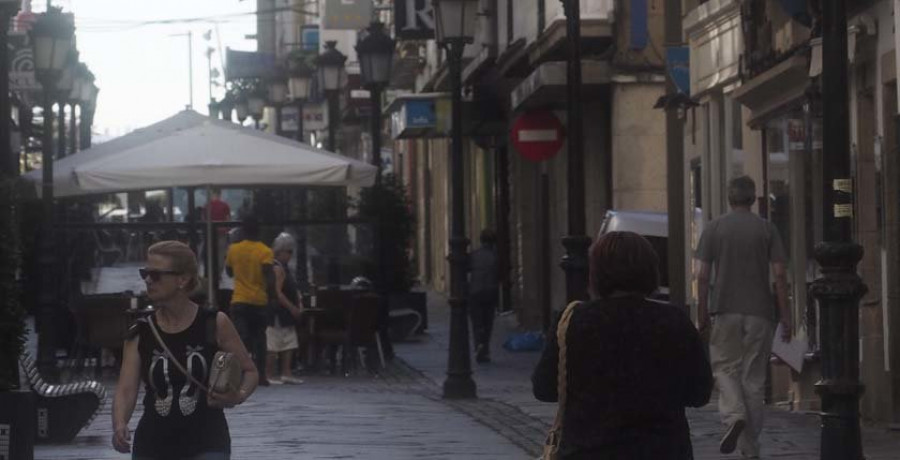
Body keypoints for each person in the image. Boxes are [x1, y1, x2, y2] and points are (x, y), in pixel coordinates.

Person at [532, 231, 712, 459]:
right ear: (651, 270)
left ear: (595, 273)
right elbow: (699, 393)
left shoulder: (573, 321)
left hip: (588, 451)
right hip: (662, 451)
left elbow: (544, 388)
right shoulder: (673, 321)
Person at [112, 241, 258, 459]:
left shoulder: (214, 323)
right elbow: (126, 389)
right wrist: (120, 424)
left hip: (208, 441)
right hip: (153, 444)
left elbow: (250, 371)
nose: (148, 280)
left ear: (182, 279)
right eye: (145, 274)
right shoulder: (140, 332)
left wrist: (238, 395)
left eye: (156, 275)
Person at [695, 176, 791, 458]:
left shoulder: (714, 228)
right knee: (754, 379)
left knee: (724, 368)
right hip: (760, 312)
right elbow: (780, 275)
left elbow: (701, 276)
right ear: (753, 199)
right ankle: (750, 449)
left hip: (724, 310)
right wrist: (785, 315)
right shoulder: (766, 229)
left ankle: (733, 414)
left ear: (729, 198)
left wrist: (702, 314)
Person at [226, 215, 278, 386]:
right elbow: (269, 277)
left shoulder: (233, 249)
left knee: (241, 339)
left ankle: (239, 373)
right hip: (259, 301)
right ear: (259, 230)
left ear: (243, 230)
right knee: (260, 339)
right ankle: (260, 375)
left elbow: (229, 272)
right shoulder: (265, 251)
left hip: (239, 300)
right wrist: (273, 299)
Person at [266, 232, 305, 384]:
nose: (290, 255)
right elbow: (277, 292)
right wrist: (292, 308)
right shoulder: (277, 268)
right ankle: (269, 373)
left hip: (285, 312)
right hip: (277, 312)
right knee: (274, 342)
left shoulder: (285, 268)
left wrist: (297, 304)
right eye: (288, 251)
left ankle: (286, 372)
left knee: (289, 340)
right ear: (280, 251)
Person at [468, 228, 499, 363]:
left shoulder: (474, 255)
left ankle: (479, 344)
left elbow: (466, 269)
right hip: (490, 292)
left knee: (477, 322)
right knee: (488, 322)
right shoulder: (495, 256)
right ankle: (485, 348)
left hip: (475, 292)